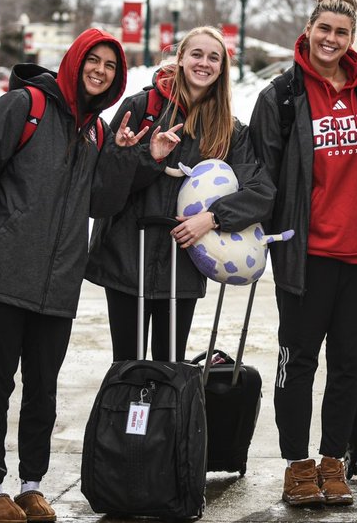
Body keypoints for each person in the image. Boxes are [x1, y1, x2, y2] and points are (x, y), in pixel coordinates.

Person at [0, 28, 129, 523]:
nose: (101, 71)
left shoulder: (98, 131)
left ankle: (32, 486)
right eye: (95, 60)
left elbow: (102, 203)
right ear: (75, 61)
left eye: (111, 66)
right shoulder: (24, 106)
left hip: (59, 284)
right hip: (5, 272)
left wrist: (131, 157)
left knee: (43, 388)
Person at [250, 0, 357, 507]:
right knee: (297, 363)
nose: (332, 39)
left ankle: (334, 461)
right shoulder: (282, 96)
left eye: (342, 31)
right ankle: (297, 464)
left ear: (351, 35)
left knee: (347, 366)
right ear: (310, 28)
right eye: (325, 28)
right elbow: (263, 175)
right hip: (306, 256)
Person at [86, 26, 274, 362]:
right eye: (197, 54)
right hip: (129, 259)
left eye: (213, 57)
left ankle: (165, 417)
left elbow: (261, 193)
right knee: (127, 366)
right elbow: (102, 196)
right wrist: (146, 157)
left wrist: (214, 218)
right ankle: (127, 415)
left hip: (183, 267)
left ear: (222, 68)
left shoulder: (230, 130)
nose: (204, 63)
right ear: (182, 58)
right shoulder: (141, 107)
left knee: (169, 366)